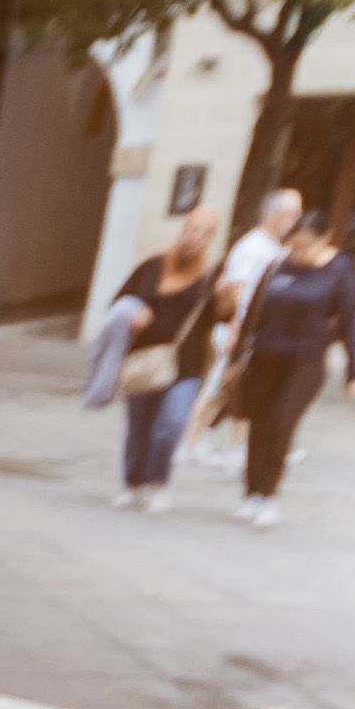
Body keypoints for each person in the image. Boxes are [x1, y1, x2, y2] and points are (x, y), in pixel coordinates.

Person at [229, 208, 355, 528]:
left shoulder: (340, 269)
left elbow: (351, 318)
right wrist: (235, 358)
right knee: (259, 425)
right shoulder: (277, 265)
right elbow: (254, 311)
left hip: (306, 362)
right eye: (295, 244)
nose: (298, 252)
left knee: (281, 424)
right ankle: (252, 493)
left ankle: (270, 496)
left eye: (306, 245)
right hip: (265, 358)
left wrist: (354, 370)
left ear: (325, 239)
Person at [102, 206, 222, 511]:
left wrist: (229, 298)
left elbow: (220, 316)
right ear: (183, 231)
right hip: (144, 359)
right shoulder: (152, 266)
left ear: (210, 238)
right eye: (192, 230)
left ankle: (157, 483)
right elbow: (118, 301)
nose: (195, 238)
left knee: (172, 423)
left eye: (204, 233)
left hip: (187, 365)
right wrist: (134, 312)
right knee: (139, 425)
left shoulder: (210, 278)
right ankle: (132, 484)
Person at [189, 187, 302, 470]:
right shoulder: (253, 246)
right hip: (239, 331)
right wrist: (236, 329)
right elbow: (236, 290)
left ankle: (236, 447)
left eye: (296, 214)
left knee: (241, 390)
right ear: (271, 214)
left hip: (254, 331)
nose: (294, 220)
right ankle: (192, 441)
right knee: (220, 386)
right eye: (290, 213)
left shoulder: (274, 247)